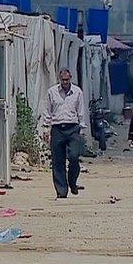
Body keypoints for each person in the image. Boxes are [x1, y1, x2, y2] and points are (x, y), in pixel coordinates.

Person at [43, 68, 88, 198]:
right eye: (63, 80)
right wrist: (46, 128)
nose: (65, 82)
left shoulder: (77, 92)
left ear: (71, 78)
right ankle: (61, 191)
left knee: (74, 157)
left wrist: (83, 130)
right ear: (59, 79)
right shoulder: (52, 92)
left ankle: (72, 182)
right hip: (57, 128)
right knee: (58, 162)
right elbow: (48, 111)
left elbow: (81, 111)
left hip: (73, 128)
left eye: (67, 80)